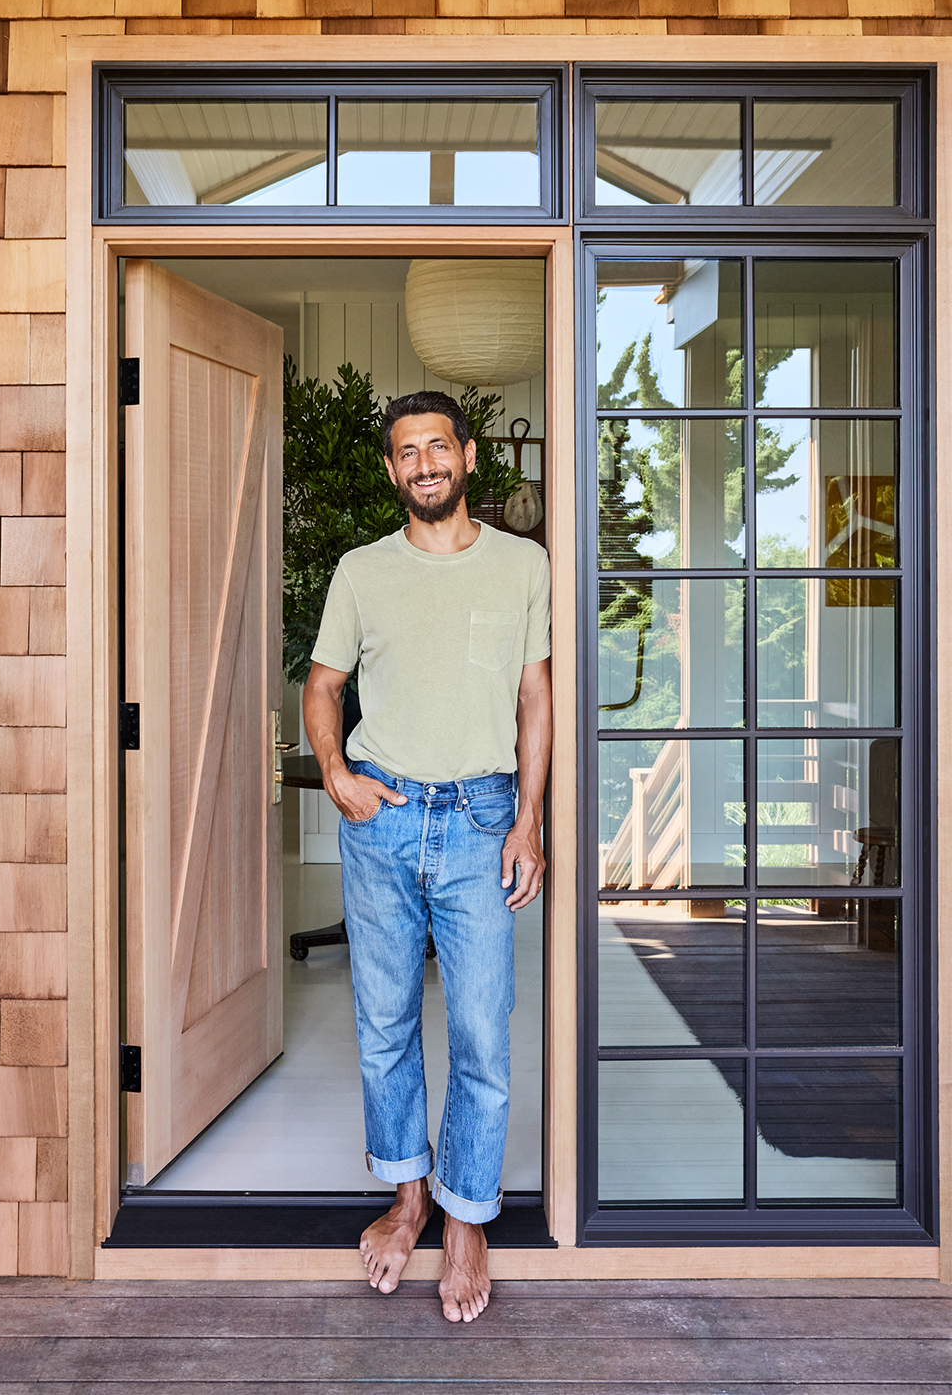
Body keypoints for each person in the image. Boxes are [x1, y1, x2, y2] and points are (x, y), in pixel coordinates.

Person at [303, 389, 552, 1323]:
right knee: (384, 1022)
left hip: (484, 817)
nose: (423, 465)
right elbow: (322, 687)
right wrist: (336, 770)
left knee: (484, 1026)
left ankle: (467, 1215)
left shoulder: (522, 565)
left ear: (469, 454)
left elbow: (536, 700)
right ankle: (408, 1194)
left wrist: (528, 820)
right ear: (391, 469)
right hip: (384, 816)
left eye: (436, 447)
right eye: (406, 453)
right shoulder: (362, 572)